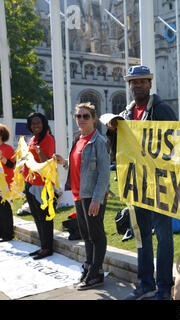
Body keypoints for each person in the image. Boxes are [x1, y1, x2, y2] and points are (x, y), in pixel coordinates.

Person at [107, 65, 177, 300]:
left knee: (164, 237)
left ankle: (164, 288)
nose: (136, 86)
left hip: (160, 185)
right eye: (132, 82)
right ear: (129, 86)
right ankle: (145, 283)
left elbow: (174, 144)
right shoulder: (126, 114)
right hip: (136, 185)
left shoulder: (162, 109)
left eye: (141, 82)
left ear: (149, 83)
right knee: (141, 236)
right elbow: (118, 151)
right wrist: (112, 132)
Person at [55, 102, 110, 290]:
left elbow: (104, 174)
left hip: (92, 196)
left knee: (96, 234)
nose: (81, 120)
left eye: (86, 116)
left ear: (94, 118)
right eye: (78, 116)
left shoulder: (99, 141)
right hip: (79, 195)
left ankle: (97, 272)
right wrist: (64, 163)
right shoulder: (78, 139)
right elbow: (78, 167)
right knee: (86, 235)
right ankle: (89, 265)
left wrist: (97, 199)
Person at [23, 112, 55, 260]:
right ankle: (43, 246)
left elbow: (46, 163)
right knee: (36, 216)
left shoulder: (48, 139)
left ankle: (48, 248)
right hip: (30, 182)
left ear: (43, 124)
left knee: (45, 217)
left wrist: (40, 152)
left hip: (42, 185)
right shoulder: (33, 139)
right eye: (33, 123)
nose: (36, 126)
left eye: (38, 123)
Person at [0, 124, 15, 242]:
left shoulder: (8, 148)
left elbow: (11, 165)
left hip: (5, 184)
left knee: (5, 210)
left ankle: (8, 234)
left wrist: (1, 157)